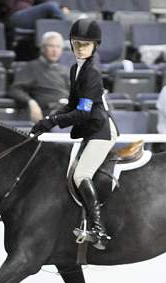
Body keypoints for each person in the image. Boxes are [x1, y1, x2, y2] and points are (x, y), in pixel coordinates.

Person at [29, 19, 117, 250]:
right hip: (91, 128)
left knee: (81, 175)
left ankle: (98, 229)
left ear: (94, 46)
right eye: (77, 43)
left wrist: (54, 122)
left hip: (101, 129)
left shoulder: (92, 73)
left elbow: (83, 112)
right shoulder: (75, 68)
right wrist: (47, 120)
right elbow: (71, 105)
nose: (80, 47)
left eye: (85, 44)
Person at [8, 31, 70, 122]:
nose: (55, 50)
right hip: (49, 111)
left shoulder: (66, 70)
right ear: (43, 48)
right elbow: (15, 90)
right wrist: (31, 102)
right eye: (51, 46)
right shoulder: (31, 67)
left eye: (58, 47)